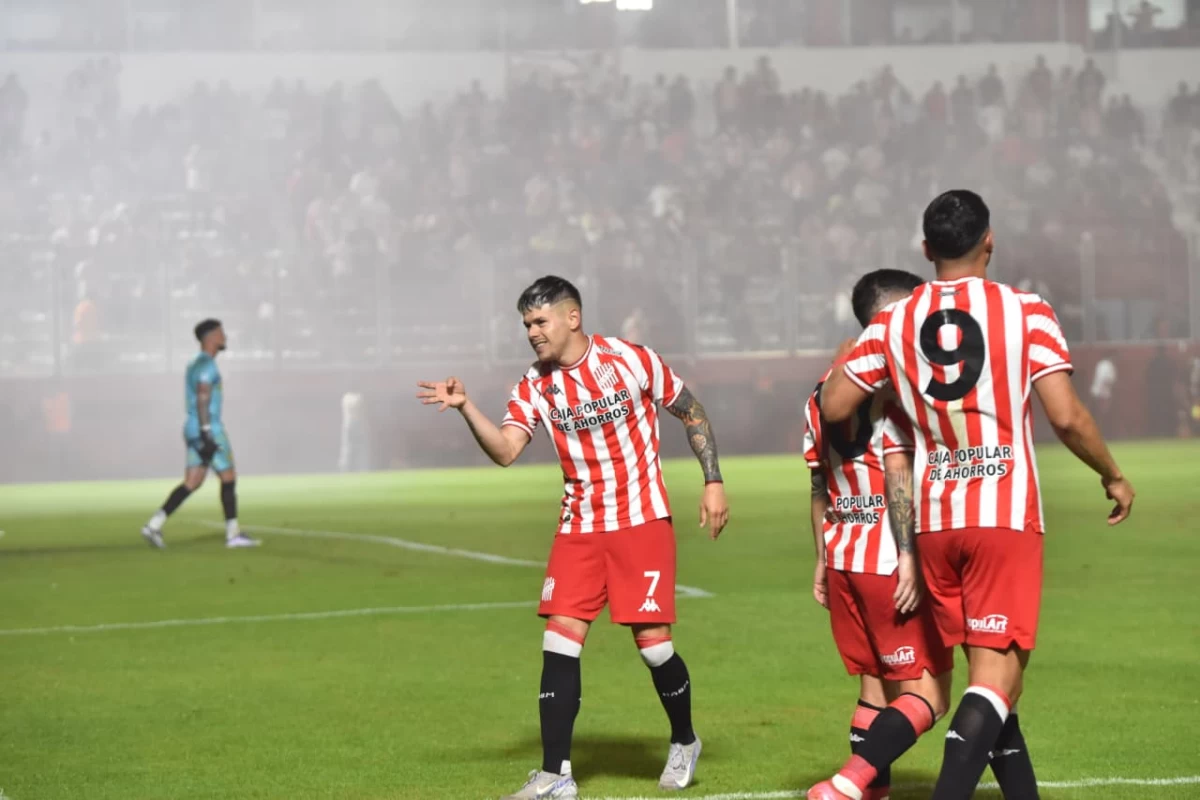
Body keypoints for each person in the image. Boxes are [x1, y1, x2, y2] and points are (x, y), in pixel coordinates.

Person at [817, 190, 1134, 800]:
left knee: (995, 689)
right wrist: (1112, 474)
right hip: (1002, 515)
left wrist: (872, 367)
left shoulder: (892, 323)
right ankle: (853, 788)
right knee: (994, 683)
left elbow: (834, 405)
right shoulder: (1025, 311)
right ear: (990, 240)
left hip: (935, 521)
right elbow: (1066, 417)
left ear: (926, 249)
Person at [416, 276, 729, 799]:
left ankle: (684, 740)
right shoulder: (534, 385)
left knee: (654, 648)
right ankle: (555, 774)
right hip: (579, 528)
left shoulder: (630, 359)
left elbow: (690, 410)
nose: (532, 333)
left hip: (640, 522)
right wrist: (467, 407)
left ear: (572, 317)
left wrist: (713, 481)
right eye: (526, 325)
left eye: (540, 321)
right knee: (559, 643)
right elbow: (506, 451)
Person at [805, 269, 953, 800]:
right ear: (891, 314)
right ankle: (844, 785)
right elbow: (899, 473)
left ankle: (870, 793)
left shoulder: (821, 391)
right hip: (890, 559)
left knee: (875, 691)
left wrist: (822, 557)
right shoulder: (896, 383)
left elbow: (818, 483)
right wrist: (910, 554)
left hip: (844, 554)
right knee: (929, 696)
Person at [141, 319, 259, 549]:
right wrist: (207, 432)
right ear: (211, 337)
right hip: (209, 428)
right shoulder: (208, 365)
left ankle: (153, 525)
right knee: (228, 478)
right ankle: (233, 535)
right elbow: (203, 395)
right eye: (221, 333)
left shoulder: (193, 363)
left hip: (192, 428)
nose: (225, 337)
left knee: (192, 482)